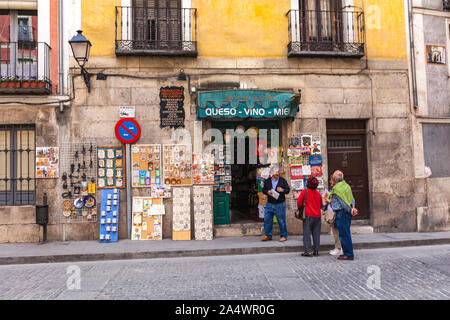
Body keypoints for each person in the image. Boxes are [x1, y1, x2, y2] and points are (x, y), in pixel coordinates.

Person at [326, 170, 358, 261]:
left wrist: (351, 210)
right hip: (347, 213)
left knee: (344, 235)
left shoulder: (336, 189)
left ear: (335, 180)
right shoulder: (346, 186)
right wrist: (353, 208)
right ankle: (347, 253)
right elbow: (352, 199)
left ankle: (348, 254)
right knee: (346, 233)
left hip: (341, 213)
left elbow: (342, 203)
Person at [261, 166, 291, 242]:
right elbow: (263, 190)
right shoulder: (267, 181)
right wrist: (267, 192)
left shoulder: (282, 180)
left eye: (278, 172)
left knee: (281, 220)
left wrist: (282, 190)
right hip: (269, 203)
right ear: (271, 173)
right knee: (267, 220)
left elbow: (288, 190)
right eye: (276, 172)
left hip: (279, 204)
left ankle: (283, 236)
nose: (277, 173)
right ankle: (268, 235)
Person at [297, 176, 323, 257]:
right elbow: (321, 205)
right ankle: (316, 250)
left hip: (308, 215)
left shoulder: (305, 191)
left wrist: (302, 207)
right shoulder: (318, 194)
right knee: (316, 234)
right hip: (317, 216)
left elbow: (299, 202)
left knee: (307, 234)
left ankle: (308, 251)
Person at [327, 175, 343, 256]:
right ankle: (339, 247)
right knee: (336, 230)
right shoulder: (336, 188)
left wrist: (328, 201)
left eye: (331, 180)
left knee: (336, 231)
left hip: (337, 212)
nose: (330, 182)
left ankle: (338, 248)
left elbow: (337, 202)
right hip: (334, 211)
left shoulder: (336, 189)